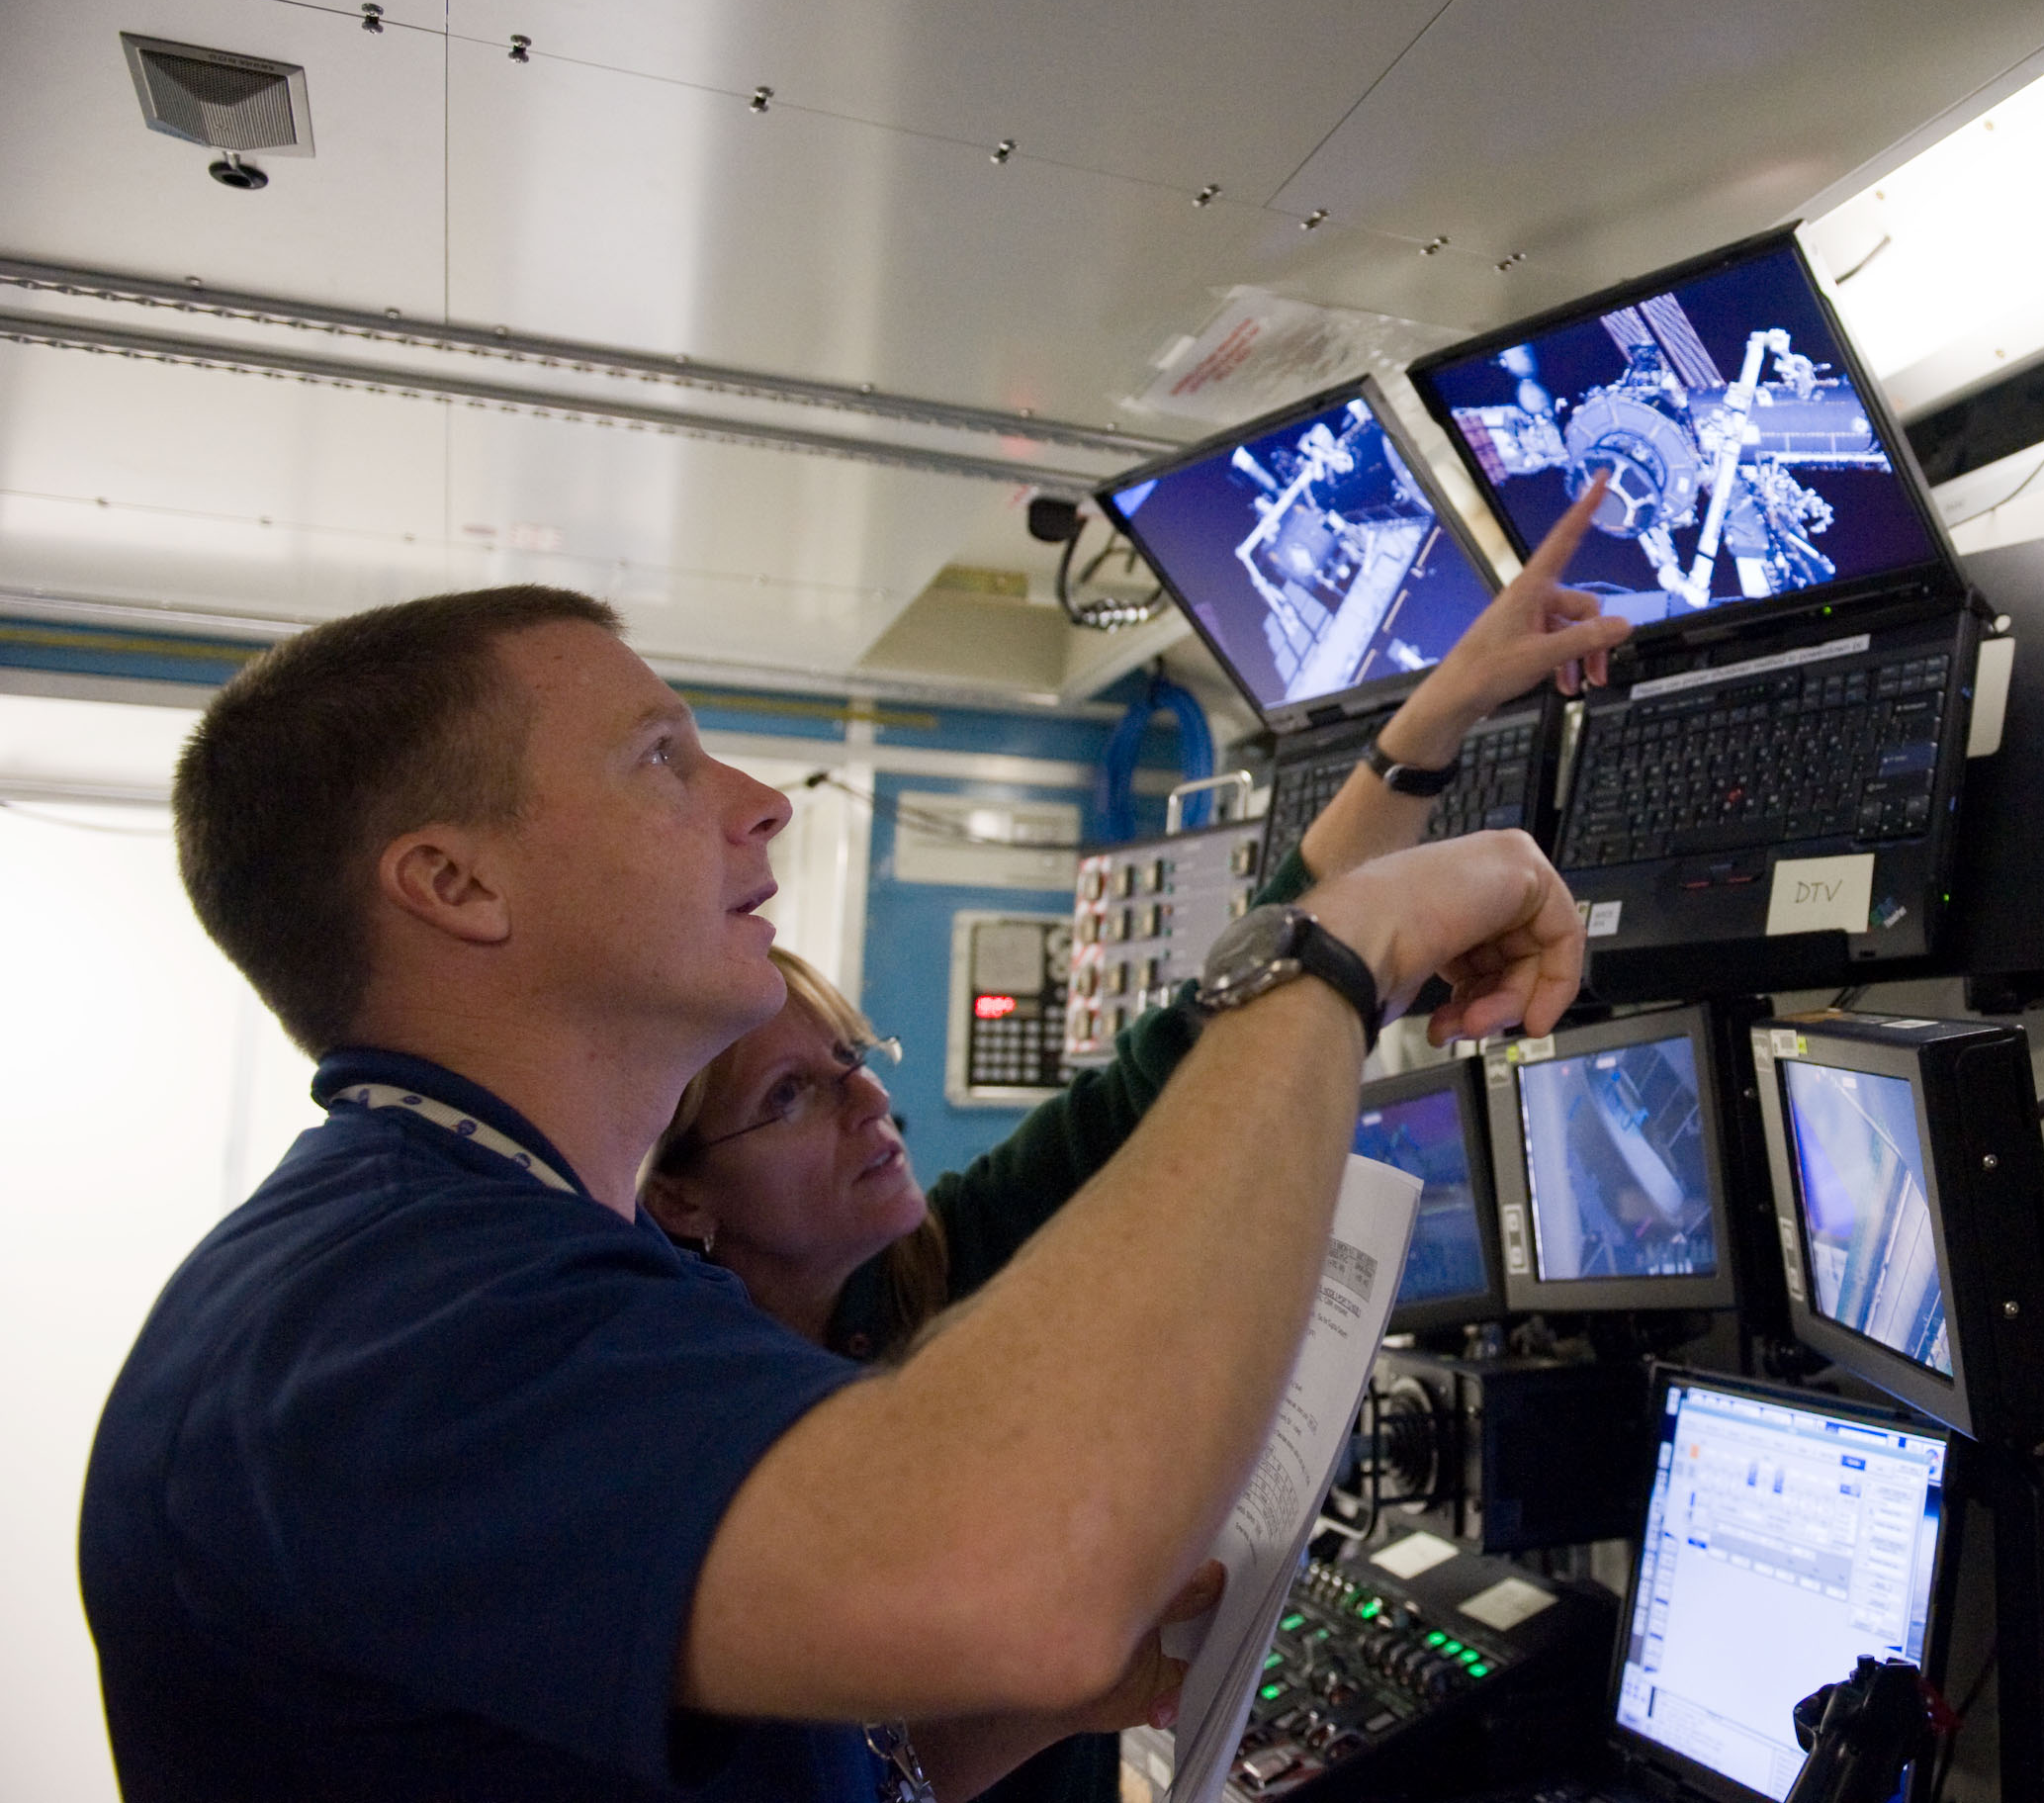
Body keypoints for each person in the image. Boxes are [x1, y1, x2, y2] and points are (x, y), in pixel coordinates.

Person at [80, 524, 1610, 1799]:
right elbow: (1024, 1572)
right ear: (454, 884)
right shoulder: (399, 1321)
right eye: (662, 759)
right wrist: (1339, 963)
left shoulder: (501, 1257)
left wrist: (995, 1719)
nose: (755, 805)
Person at [634, 494, 1627, 1801]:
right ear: (684, 1201)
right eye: (793, 1101)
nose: (868, 1107)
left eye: (853, 1063)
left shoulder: (927, 1263)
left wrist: (1433, 721)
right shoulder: (697, 1424)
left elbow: (1219, 1005)